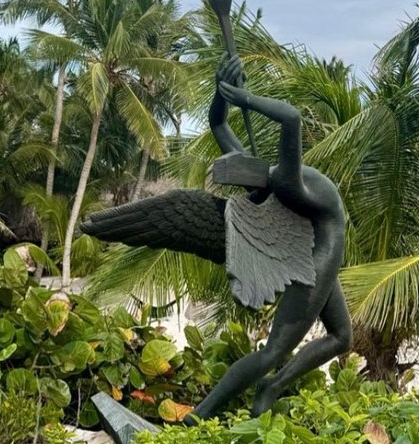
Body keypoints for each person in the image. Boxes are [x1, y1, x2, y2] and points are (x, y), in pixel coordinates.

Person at [81, 51, 352, 419]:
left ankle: (270, 385)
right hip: (312, 252)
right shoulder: (253, 174)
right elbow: (219, 126)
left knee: (333, 339)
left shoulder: (286, 182)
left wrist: (245, 99)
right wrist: (221, 92)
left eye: (252, 196)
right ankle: (203, 414)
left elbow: (292, 118)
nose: (251, 202)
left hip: (320, 257)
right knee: (297, 346)